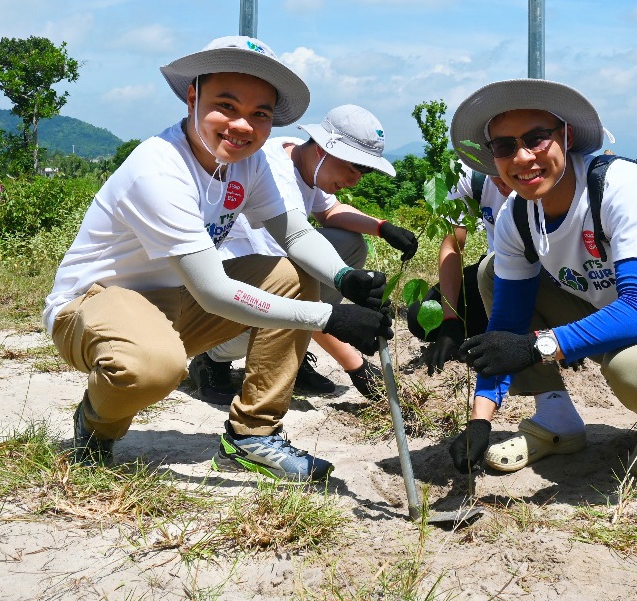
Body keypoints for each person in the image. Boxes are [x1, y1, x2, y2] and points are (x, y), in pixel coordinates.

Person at [43, 36, 393, 481]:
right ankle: (96, 424)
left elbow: (296, 232)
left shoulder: (248, 163)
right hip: (95, 304)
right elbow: (213, 290)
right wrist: (328, 317)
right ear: (193, 97)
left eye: (259, 114)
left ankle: (252, 435)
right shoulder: (159, 169)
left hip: (177, 301)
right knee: (154, 368)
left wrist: (345, 278)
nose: (242, 125)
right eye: (225, 106)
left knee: (291, 274)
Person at [443, 79, 637, 480]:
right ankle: (556, 420)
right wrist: (480, 420)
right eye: (505, 146)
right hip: (611, 312)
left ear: (567, 136)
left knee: (635, 370)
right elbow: (506, 331)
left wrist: (537, 346)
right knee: (492, 272)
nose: (523, 157)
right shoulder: (517, 215)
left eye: (537, 139)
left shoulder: (621, 186)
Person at [190, 104, 418, 404]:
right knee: (294, 281)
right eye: (353, 169)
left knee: (348, 243)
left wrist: (381, 227)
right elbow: (293, 294)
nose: (355, 181)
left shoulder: (300, 154)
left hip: (266, 278)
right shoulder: (275, 178)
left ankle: (291, 352)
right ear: (323, 150)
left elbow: (330, 210)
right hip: (224, 299)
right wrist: (357, 365)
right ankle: (212, 358)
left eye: (363, 172)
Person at [408, 165, 509, 375]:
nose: (503, 183)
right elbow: (452, 245)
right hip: (496, 273)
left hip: (544, 277)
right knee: (421, 316)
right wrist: (450, 319)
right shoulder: (469, 175)